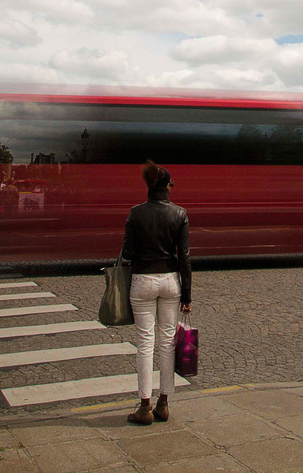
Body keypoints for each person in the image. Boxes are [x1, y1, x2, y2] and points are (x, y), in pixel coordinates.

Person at [121, 160, 192, 425]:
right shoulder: (180, 214)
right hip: (171, 281)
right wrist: (187, 294)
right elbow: (184, 257)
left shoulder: (135, 213)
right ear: (168, 188)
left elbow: (127, 252)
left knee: (144, 343)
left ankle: (144, 406)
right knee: (166, 343)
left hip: (142, 280)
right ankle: (164, 403)